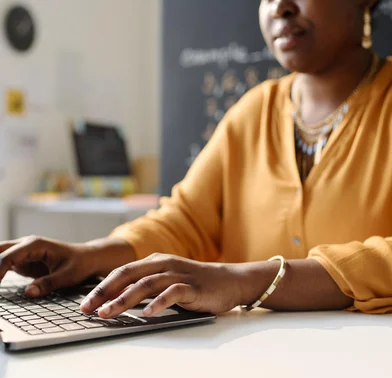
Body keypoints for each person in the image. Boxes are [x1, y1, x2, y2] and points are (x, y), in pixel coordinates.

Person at [1, 0, 391, 320]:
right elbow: (186, 220)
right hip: (257, 363)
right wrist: (90, 255)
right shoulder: (252, 112)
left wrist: (242, 280)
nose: (280, 8)